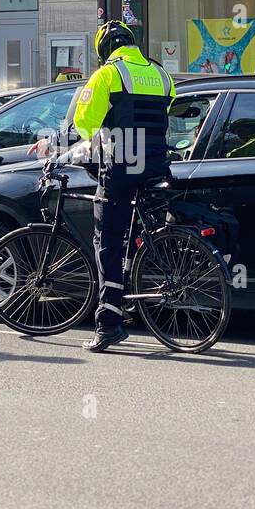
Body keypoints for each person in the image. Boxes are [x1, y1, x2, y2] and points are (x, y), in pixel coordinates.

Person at [71, 20, 176, 353]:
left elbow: (84, 123)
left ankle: (109, 324)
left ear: (104, 49)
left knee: (108, 240)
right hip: (157, 164)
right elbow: (169, 107)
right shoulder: (161, 74)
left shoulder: (107, 74)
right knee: (142, 231)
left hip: (123, 165)